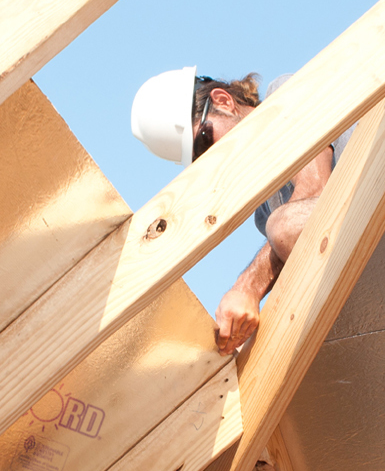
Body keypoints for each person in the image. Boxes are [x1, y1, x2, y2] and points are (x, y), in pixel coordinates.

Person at [130, 68, 345, 355]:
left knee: (283, 226)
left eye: (205, 140)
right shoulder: (266, 207)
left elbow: (316, 195)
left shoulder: (284, 96)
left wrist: (248, 287)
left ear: (223, 101)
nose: (214, 158)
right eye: (201, 159)